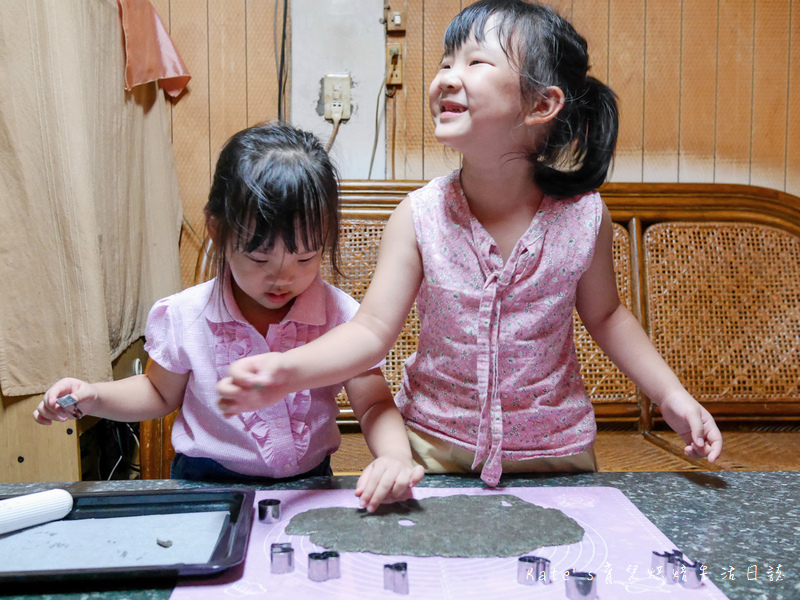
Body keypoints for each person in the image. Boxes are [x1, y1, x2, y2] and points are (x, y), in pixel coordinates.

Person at [215, 1, 723, 486]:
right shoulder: (418, 217)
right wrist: (289, 371)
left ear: (541, 103)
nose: (446, 77)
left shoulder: (584, 217)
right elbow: (371, 330)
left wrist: (670, 394)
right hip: (432, 451)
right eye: (445, 62)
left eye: (476, 61)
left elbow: (608, 316)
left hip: (557, 452)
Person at [34, 121, 424, 509]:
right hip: (204, 487)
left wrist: (393, 457)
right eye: (259, 258)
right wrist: (95, 396)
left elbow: (372, 403)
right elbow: (157, 393)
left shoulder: (340, 317)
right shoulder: (187, 315)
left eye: (306, 257)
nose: (282, 277)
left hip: (309, 488)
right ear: (217, 230)